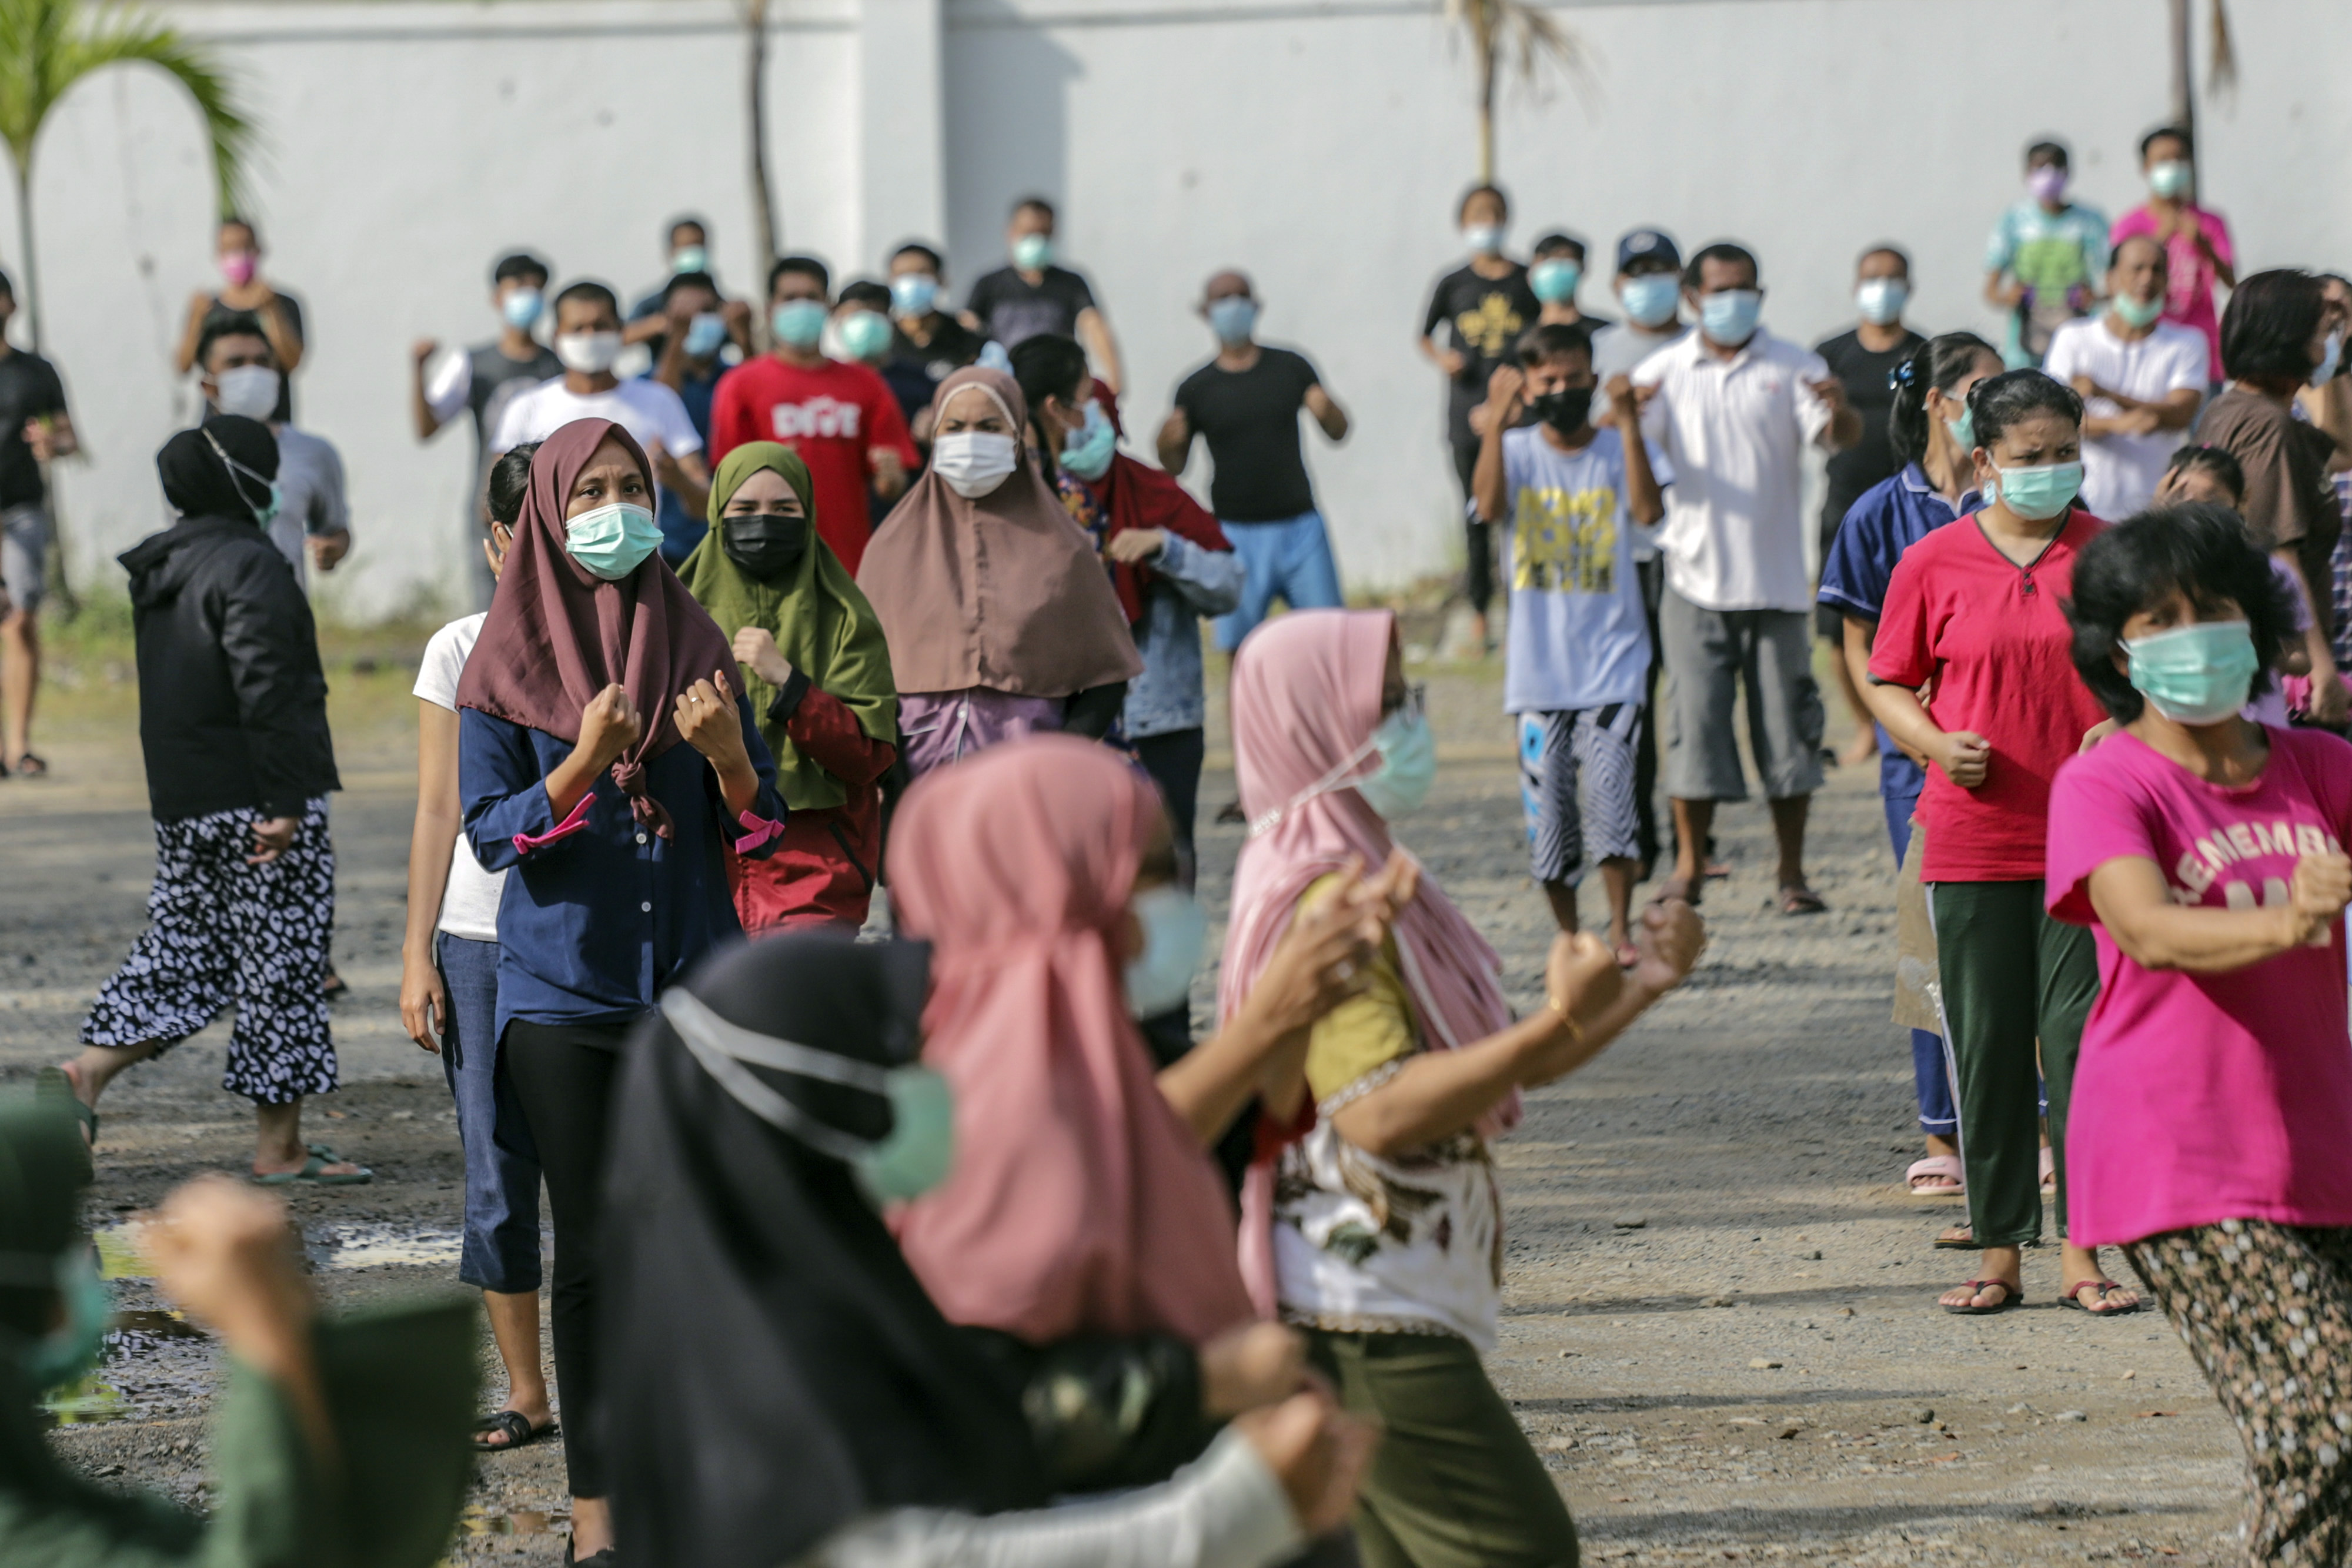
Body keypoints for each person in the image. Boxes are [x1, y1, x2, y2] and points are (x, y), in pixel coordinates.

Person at [602, 934, 1377, 1568]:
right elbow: (922, 1556)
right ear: (818, 1111)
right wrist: (1238, 1506)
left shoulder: (817, 1292)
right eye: (897, 1063)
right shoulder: (756, 1364)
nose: (931, 1088)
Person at [1217, 607, 1705, 1568]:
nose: (1408, 723)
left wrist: (1645, 983)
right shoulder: (1323, 893)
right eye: (1386, 702)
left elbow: (1496, 1068)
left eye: (1408, 698)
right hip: (1359, 1309)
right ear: (1317, 722)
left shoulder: (1358, 867)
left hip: (1381, 1294)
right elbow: (1382, 1109)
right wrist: (1551, 1019)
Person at [456, 418, 790, 1563]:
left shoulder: (695, 640)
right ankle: (596, 1516)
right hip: (565, 1001)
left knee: (706, 1240)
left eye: (629, 486)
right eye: (588, 490)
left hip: (692, 992)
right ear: (547, 512)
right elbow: (494, 838)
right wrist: (580, 764)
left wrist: (732, 762)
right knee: (596, 1252)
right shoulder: (501, 671)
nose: (612, 507)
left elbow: (761, 826)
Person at [2049, 504, 2352, 1563]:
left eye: (2214, 609)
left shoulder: (2316, 765)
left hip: (2317, 1148)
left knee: (2313, 1449)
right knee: (2330, 1418)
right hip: (2174, 1155)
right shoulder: (2108, 779)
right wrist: (2293, 917)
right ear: (2117, 649)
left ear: (2257, 622)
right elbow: (2144, 925)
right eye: (2161, 617)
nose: (2194, 634)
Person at [1862, 369, 2134, 1318]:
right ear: (1984, 461)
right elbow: (1887, 679)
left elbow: (2158, 667)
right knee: (1983, 1047)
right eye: (2031, 457)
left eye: (2066, 452)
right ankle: (1999, 1252)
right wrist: (1934, 741)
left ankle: (2086, 1254)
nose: (2051, 470)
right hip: (1972, 839)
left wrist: (2126, 723)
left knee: (2079, 1043)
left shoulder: (2112, 557)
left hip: (2096, 845)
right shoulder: (1931, 562)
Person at [46, 419, 360, 1182]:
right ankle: (279, 1146)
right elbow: (268, 687)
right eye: (266, 467)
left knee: (188, 952)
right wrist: (286, 798)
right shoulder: (253, 563)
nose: (276, 481)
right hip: (261, 803)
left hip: (189, 802)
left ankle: (84, 1074)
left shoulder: (165, 565)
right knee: (281, 963)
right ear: (237, 478)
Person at [0, 1094, 477, 1566]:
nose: (89, 1258)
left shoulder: (44, 1490)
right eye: (65, 1239)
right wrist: (259, 1325)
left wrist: (285, 1316)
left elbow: (349, 1543)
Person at [1817, 331, 2003, 1199]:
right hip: (1921, 761)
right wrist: (1906, 729)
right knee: (1934, 933)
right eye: (1984, 391)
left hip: (2016, 751)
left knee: (2024, 930)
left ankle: (2030, 1117)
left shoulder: (2018, 505)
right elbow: (1858, 644)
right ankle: (1946, 1126)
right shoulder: (1880, 514)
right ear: (1939, 400)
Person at [395, 442, 550, 1456]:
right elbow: (439, 807)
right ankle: (529, 1393)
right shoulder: (457, 649)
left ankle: (633, 1379)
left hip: (583, 943)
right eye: (525, 525)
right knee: (496, 1171)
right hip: (480, 942)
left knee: (610, 1172)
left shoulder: (636, 640)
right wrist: (415, 955)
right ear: (496, 538)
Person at [1632, 240, 1860, 913]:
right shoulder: (1663, 371)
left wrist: (1842, 407)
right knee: (1693, 729)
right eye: (1721, 289)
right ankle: (1689, 868)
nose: (1734, 301)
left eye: (1746, 289)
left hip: (1778, 582)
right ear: (1692, 297)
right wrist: (1620, 412)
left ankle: (1790, 874)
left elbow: (1836, 437)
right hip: (1693, 577)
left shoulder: (1794, 365)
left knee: (1789, 734)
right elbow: (1632, 455)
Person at [1473, 322, 1668, 963]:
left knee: (1614, 807)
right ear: (1528, 387)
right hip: (1538, 673)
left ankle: (1617, 928)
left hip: (1612, 663)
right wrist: (1496, 427)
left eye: (1572, 378)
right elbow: (1489, 504)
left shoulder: (1615, 448)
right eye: (1547, 381)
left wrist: (1630, 426)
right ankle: (1568, 936)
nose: (1562, 390)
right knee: (1549, 821)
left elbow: (1646, 513)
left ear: (1592, 377)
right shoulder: (1519, 449)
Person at [1017, 332, 1238, 885]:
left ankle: (1166, 971)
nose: (1092, 428)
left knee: (1165, 862)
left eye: (1102, 415)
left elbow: (1228, 584)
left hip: (1157, 715)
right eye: (1078, 409)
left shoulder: (1153, 492)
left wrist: (1167, 547)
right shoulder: (1027, 499)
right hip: (1068, 717)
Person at [857, 366, 1140, 775]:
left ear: (1017, 438)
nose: (971, 440)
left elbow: (1108, 674)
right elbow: (860, 677)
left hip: (1032, 784)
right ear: (934, 437)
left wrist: (1061, 754)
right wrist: (893, 778)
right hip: (918, 784)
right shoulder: (890, 548)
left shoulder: (1064, 547)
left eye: (990, 427)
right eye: (954, 427)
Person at [679, 443, 898, 933]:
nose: (764, 521)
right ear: (718, 513)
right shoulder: (678, 611)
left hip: (817, 873)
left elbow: (871, 755)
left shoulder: (846, 615)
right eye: (745, 508)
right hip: (704, 873)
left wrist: (792, 686)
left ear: (809, 514)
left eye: (784, 509)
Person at [1160, 271, 1350, 678]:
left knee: (1330, 642)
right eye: (1222, 298)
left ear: (1256, 305)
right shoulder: (1195, 388)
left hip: (1300, 526)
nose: (1232, 306)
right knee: (1241, 657)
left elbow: (1339, 431)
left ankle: (1334, 736)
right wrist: (1168, 440)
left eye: (1239, 296)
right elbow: (1175, 466)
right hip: (1235, 534)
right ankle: (1249, 740)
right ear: (1205, 312)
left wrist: (1326, 410)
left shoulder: (1292, 367)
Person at [2195, 269, 2352, 727]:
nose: (2329, 345)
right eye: (2322, 335)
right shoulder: (2268, 428)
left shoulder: (2239, 409)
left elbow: (2341, 451)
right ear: (2289, 340)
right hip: (2279, 677)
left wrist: (2337, 363)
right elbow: (2277, 551)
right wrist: (2323, 668)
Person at [707, 256, 917, 576]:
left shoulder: (866, 383)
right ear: (770, 308)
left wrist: (891, 476)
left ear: (829, 306)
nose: (801, 307)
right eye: (790, 298)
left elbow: (891, 482)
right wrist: (767, 469)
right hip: (770, 564)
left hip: (849, 564)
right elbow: (726, 479)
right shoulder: (740, 385)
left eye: (811, 298)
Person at [1590, 228, 1690, 875]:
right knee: (1629, 697)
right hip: (1621, 547)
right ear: (1617, 284)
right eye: (1637, 270)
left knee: (1688, 699)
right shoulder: (1598, 351)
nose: (1648, 281)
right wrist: (1619, 411)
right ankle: (1638, 834)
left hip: (1690, 546)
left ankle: (1693, 838)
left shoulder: (1701, 346)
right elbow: (1574, 433)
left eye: (1660, 269)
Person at [1813, 245, 1927, 767]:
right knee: (1840, 625)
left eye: (1893, 277)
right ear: (1856, 285)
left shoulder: (1925, 353)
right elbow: (1817, 430)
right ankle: (1865, 723)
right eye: (1872, 277)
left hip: (1913, 503)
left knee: (1909, 618)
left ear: (1909, 285)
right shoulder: (1831, 353)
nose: (1882, 287)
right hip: (1846, 503)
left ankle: (1908, 720)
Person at [1418, 183, 1538, 650]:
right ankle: (1480, 611)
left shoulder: (1527, 279)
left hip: (1518, 415)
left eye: (1492, 214)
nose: (1484, 223)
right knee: (1475, 512)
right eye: (1475, 216)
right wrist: (1443, 359)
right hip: (1466, 414)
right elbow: (1425, 335)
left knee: (1522, 511)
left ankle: (1521, 601)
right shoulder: (1453, 283)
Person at [489, 280, 711, 527]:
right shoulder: (527, 407)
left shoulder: (657, 400)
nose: (590, 337)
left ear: (620, 331)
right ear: (556, 337)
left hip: (641, 562)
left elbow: (706, 505)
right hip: (554, 565)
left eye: (600, 327)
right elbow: (495, 507)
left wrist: (679, 480)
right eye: (578, 329)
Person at [413, 251, 564, 609]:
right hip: (491, 507)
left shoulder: (560, 365)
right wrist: (418, 372)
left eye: (535, 289)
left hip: (551, 507)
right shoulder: (474, 364)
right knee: (493, 612)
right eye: (517, 288)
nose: (527, 296)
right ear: (497, 298)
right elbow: (428, 426)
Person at [2041, 235, 2208, 520]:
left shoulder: (2187, 342)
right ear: (2111, 279)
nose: (2147, 279)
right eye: (2137, 268)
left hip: (2154, 510)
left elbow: (2181, 413)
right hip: (2082, 506)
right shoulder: (2073, 338)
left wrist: (2107, 395)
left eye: (2157, 270)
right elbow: (2052, 423)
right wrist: (2119, 424)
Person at [196, 312, 351, 586]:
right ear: (209, 385)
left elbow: (336, 530)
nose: (252, 373)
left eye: (262, 362)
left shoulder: (314, 453)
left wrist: (332, 548)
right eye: (236, 364)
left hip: (283, 619)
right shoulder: (191, 455)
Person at [0, 268, 74, 781]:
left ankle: (19, 743)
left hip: (22, 507)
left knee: (21, 618)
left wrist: (52, 445)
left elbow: (69, 436)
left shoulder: (37, 371)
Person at [2109, 125, 2236, 377]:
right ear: (2145, 168)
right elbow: (2115, 283)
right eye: (2163, 161)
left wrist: (2204, 246)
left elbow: (2231, 281)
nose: (2173, 167)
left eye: (2180, 159)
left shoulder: (2210, 222)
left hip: (2203, 346)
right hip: (2146, 344)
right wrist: (2156, 241)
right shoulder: (2130, 225)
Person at [964, 196, 1124, 390]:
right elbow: (968, 327)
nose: (1036, 241)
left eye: (1044, 234)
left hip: (1058, 385)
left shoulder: (1071, 283)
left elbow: (1093, 325)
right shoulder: (989, 284)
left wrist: (1114, 380)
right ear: (1011, 232)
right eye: (1028, 233)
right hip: (1006, 385)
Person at [646, 269, 745, 564]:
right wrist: (676, 342)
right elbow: (659, 405)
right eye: (684, 315)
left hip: (732, 537)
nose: (695, 323)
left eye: (706, 312)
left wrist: (744, 337)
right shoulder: (646, 384)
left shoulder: (735, 379)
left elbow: (763, 397)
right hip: (670, 540)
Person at [1983, 139, 2109, 370]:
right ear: (2026, 174)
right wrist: (2007, 297)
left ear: (2069, 172)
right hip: (2025, 349)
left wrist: (2096, 297)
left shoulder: (2090, 222)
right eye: (2039, 168)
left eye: (2055, 167)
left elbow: (2116, 283)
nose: (2048, 175)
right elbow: (1991, 291)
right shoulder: (2013, 221)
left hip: (2079, 341)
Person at [174, 215, 303, 422]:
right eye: (230, 249)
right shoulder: (207, 308)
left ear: (259, 249)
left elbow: (292, 362)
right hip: (218, 421)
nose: (239, 255)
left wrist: (271, 311)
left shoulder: (282, 305)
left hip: (274, 423)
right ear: (218, 254)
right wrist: (195, 319)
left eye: (245, 247)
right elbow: (182, 366)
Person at [881, 240, 984, 439]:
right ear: (889, 282)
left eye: (922, 274)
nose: (912, 283)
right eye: (903, 275)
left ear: (941, 280)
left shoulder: (967, 340)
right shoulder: (881, 340)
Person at [1528, 231, 1605, 329]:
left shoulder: (1603, 334)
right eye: (1546, 261)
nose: (1554, 269)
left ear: (1582, 268)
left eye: (1563, 261)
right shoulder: (1520, 339)